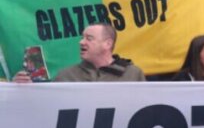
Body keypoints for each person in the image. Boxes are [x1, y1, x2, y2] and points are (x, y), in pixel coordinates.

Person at [14, 24, 144, 83]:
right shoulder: (65, 76)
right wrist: (24, 90)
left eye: (89, 38)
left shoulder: (132, 74)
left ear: (107, 44)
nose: (81, 42)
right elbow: (47, 109)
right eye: (82, 37)